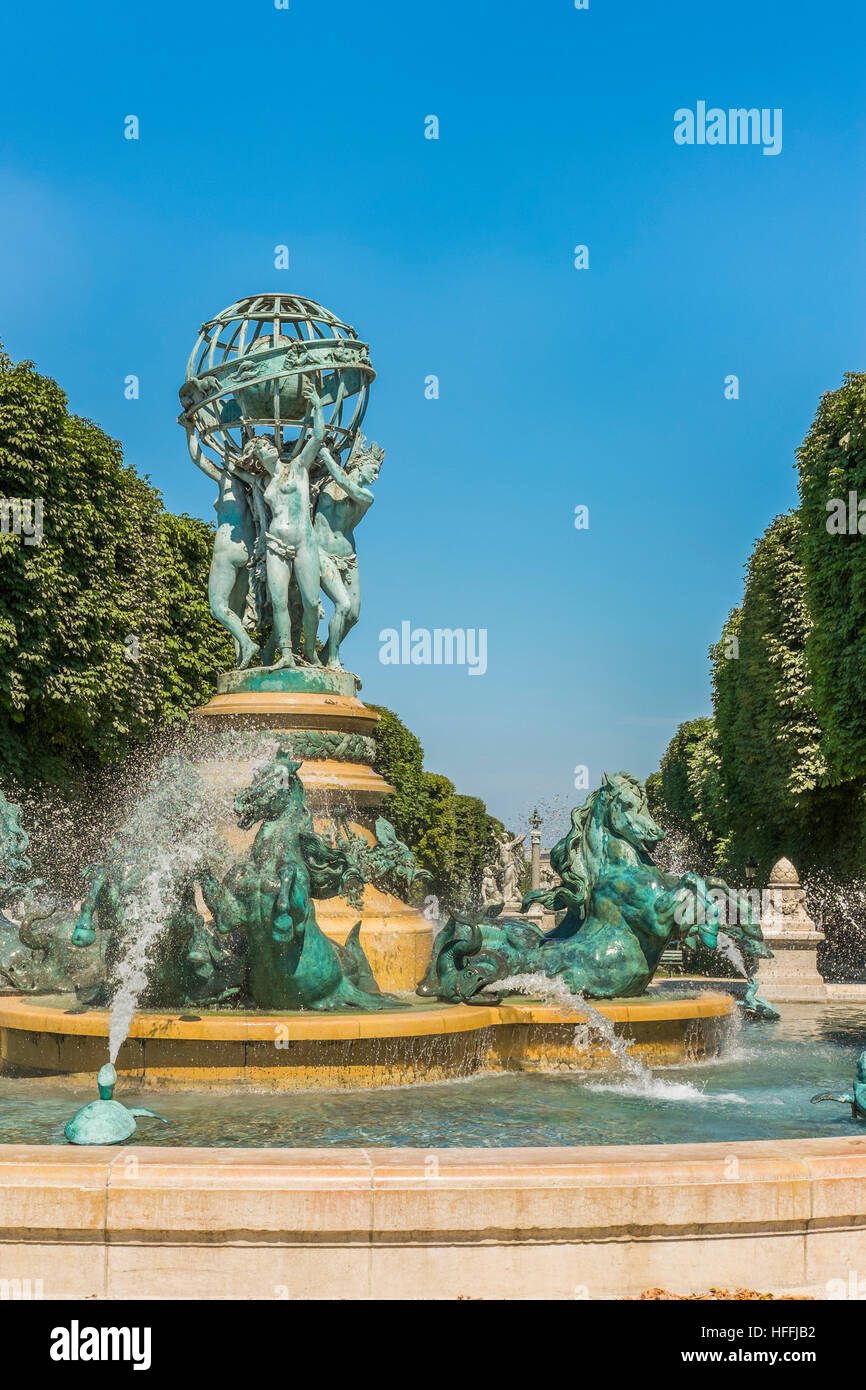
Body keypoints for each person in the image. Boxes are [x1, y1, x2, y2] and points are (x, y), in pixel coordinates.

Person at [313, 433, 383, 668]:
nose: (375, 476)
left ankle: (324, 655)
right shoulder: (321, 483)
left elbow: (344, 483)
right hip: (320, 552)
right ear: (359, 466)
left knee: (353, 615)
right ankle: (333, 660)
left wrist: (324, 454)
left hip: (348, 557)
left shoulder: (365, 497)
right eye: (373, 470)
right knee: (343, 605)